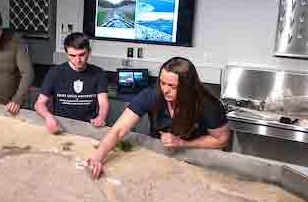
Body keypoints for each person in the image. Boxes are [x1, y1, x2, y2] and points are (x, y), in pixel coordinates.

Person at [87, 57, 230, 179]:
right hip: (160, 154)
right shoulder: (151, 95)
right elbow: (118, 129)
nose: (165, 90)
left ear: (188, 87)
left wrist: (182, 143)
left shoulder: (208, 104)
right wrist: (97, 157)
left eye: (172, 86)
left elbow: (221, 140)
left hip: (196, 158)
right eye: (162, 83)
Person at [34, 32, 109, 133]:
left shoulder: (99, 73)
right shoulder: (55, 72)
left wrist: (101, 117)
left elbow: (103, 103)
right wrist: (48, 117)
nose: (78, 60)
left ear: (89, 51)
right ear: (66, 53)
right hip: (61, 125)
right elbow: (39, 103)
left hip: (89, 127)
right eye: (72, 55)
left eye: (82, 55)